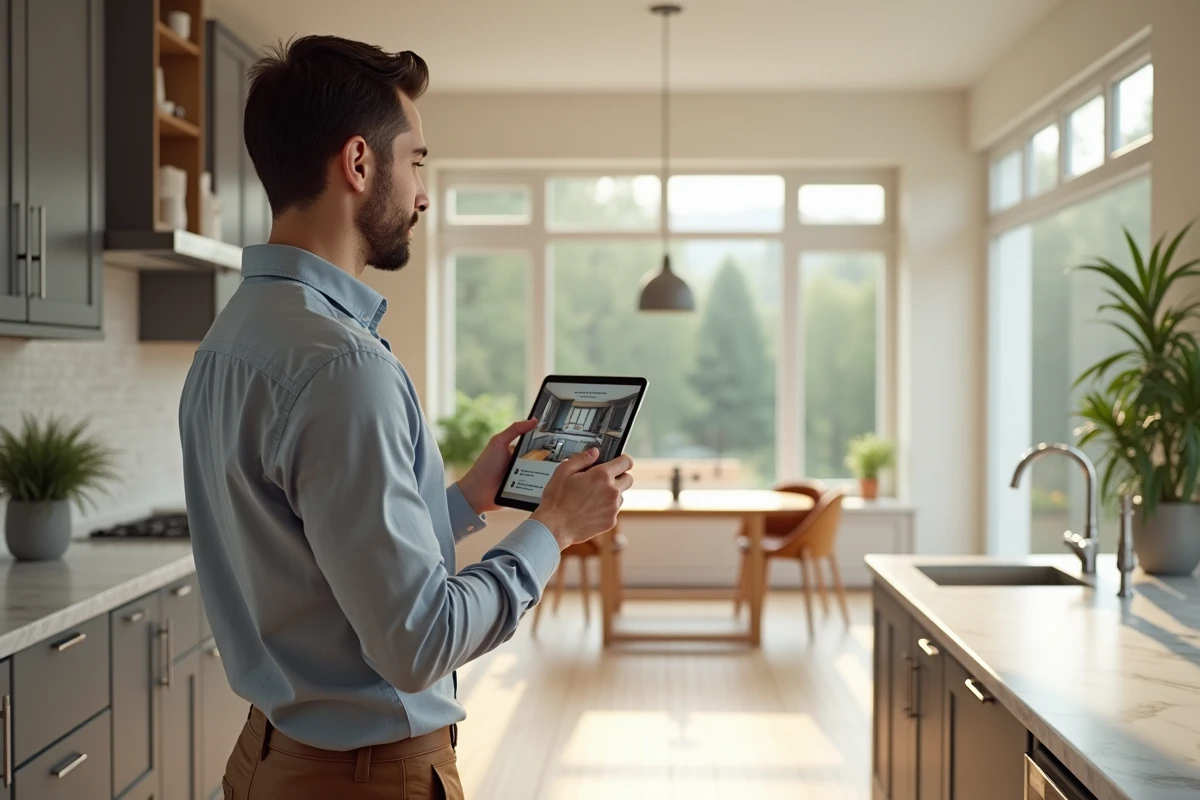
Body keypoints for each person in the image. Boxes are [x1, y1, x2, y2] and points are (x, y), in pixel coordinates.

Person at [178, 35, 633, 799]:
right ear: (359, 164)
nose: (423, 193)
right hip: (361, 779)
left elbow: (315, 561)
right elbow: (418, 643)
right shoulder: (341, 364)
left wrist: (464, 502)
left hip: (266, 758)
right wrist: (552, 529)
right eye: (416, 161)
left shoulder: (231, 340)